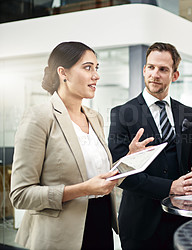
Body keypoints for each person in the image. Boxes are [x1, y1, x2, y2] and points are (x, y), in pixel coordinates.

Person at [10, 42, 119, 250]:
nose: (96, 75)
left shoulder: (95, 118)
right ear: (63, 73)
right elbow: (20, 195)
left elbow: (98, 175)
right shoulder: (39, 118)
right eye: (88, 68)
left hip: (101, 224)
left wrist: (131, 159)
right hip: (60, 236)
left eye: (97, 68)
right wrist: (82, 190)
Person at [108, 42, 192, 250]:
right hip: (140, 223)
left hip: (182, 219)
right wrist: (170, 187)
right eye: (151, 67)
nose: (155, 74)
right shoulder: (122, 113)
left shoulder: (187, 113)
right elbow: (119, 174)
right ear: (144, 70)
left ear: (174, 75)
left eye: (163, 69)